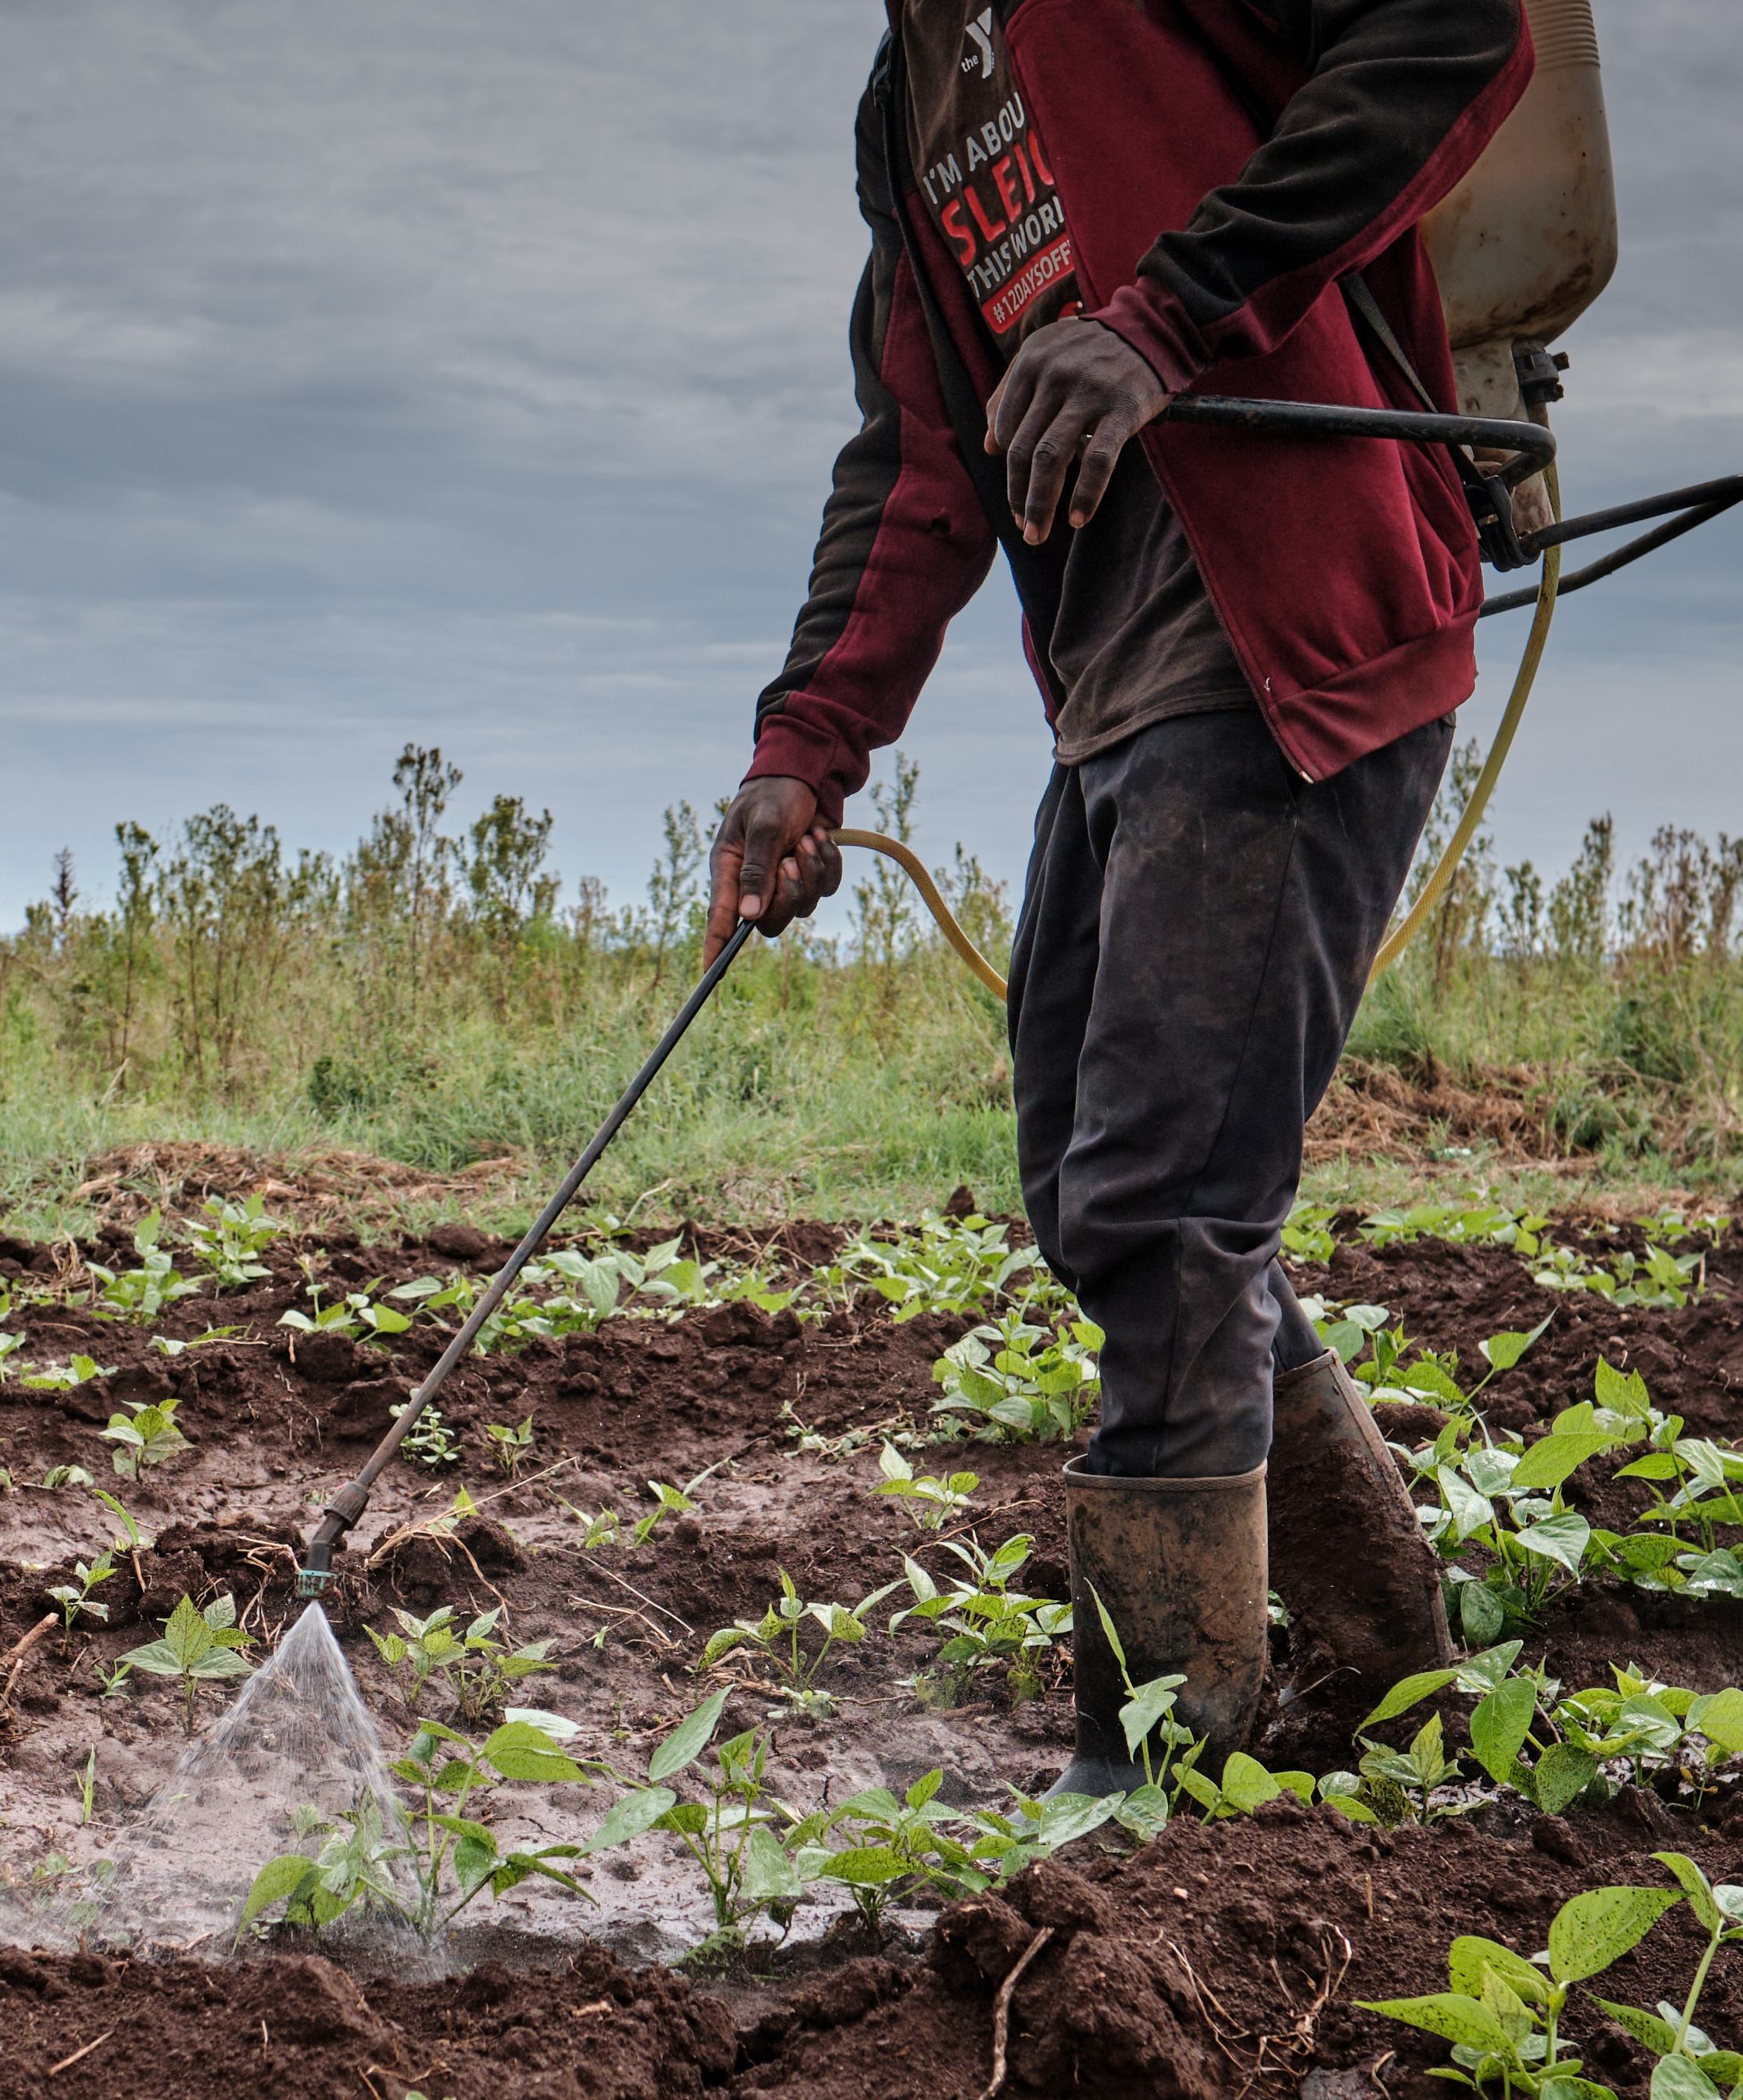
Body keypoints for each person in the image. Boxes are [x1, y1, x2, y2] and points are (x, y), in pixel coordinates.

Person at [702, 3, 1534, 1786]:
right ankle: (1386, 1649)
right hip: (1120, 698)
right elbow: (924, 462)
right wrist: (801, 750)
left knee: (1164, 1204)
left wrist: (1159, 319)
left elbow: (1460, 31)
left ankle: (1150, 1780)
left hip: (1293, 628)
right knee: (1102, 1200)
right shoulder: (906, 105)